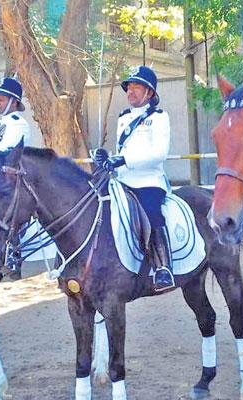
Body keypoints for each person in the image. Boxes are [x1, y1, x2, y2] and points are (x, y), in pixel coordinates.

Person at [92, 66, 174, 291]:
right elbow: (123, 150)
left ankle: (162, 267)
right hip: (123, 180)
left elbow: (159, 153)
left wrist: (123, 160)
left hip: (148, 180)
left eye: (137, 87)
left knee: (151, 211)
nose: (131, 92)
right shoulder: (123, 118)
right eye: (129, 87)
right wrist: (107, 157)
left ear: (149, 92)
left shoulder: (159, 117)